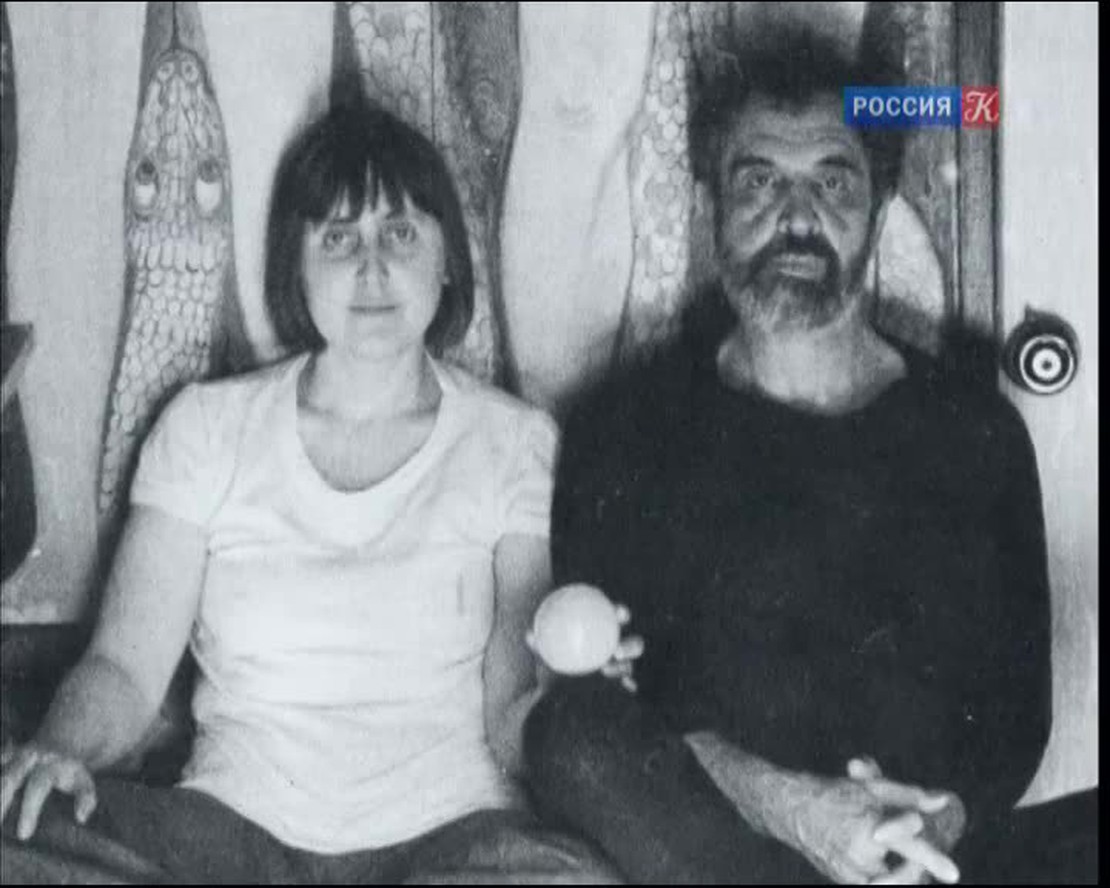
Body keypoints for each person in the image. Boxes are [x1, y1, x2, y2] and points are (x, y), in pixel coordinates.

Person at [523, 29, 1097, 887]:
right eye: (759, 181)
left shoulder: (974, 431)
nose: (796, 219)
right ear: (713, 204)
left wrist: (925, 829)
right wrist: (794, 808)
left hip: (926, 858)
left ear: (878, 204)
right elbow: (614, 714)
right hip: (724, 851)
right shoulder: (628, 432)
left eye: (832, 181)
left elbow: (1015, 718)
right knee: (569, 734)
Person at [0, 100, 626, 884]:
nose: (373, 267)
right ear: (294, 267)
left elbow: (510, 715)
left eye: (401, 233)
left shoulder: (512, 441)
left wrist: (580, 701)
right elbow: (124, 669)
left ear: (447, 260)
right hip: (229, 838)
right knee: (18, 828)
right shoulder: (207, 428)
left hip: (453, 840)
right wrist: (56, 749)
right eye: (338, 238)